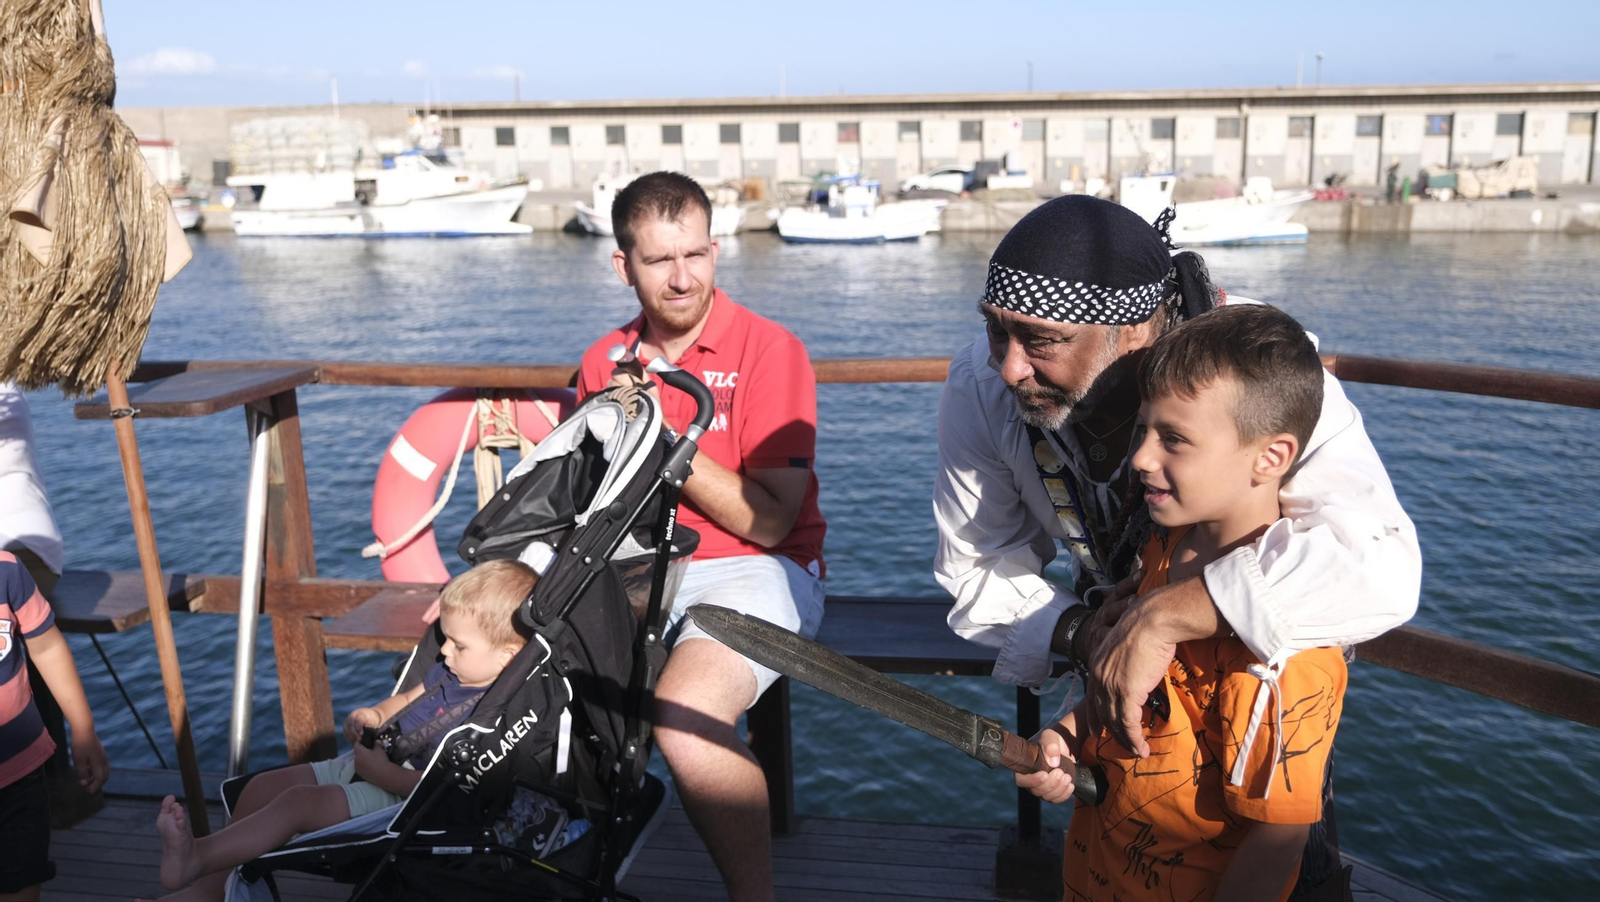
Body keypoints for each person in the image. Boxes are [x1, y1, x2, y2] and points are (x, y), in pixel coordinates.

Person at [933, 196, 1419, 894]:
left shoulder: (1261, 372)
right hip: (1118, 734)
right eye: (994, 332)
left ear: (1135, 329)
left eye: (1040, 339)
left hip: (1259, 712)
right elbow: (974, 562)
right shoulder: (983, 383)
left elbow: (1380, 568)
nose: (1008, 367)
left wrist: (1164, 617)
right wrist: (1084, 633)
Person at [1019, 303, 1348, 901]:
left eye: (1173, 438)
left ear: (1270, 457)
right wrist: (1067, 735)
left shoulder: (1282, 658)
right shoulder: (1163, 551)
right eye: (1144, 429)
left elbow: (1275, 843)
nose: (1141, 457)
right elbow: (1135, 702)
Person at [576, 171, 826, 902]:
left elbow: (771, 519)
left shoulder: (771, 351)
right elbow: (587, 502)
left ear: (716, 249)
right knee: (511, 659)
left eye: (696, 255)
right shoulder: (602, 362)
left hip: (763, 569)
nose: (683, 279)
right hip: (635, 573)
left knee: (685, 724)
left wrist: (666, 436)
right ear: (623, 265)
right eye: (659, 260)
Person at [146, 560, 538, 902]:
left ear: (508, 655)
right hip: (372, 763)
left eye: (459, 645)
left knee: (298, 804)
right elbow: (405, 701)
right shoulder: (450, 672)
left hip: (400, 799)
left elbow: (449, 793)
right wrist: (373, 713)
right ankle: (211, 887)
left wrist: (380, 774)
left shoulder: (495, 712)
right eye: (447, 639)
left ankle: (197, 859)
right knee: (260, 788)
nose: (445, 651)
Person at [0, 382, 95, 827]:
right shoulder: (11, 382)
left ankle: (53, 784)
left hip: (23, 546)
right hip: (36, 538)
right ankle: (54, 782)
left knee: (28, 641)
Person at [1, 550, 109, 901]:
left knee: (23, 883)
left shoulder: (8, 570)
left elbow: (46, 647)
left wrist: (82, 728)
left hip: (21, 773)